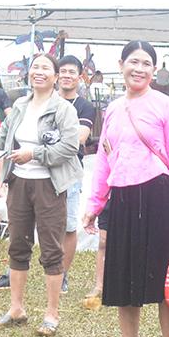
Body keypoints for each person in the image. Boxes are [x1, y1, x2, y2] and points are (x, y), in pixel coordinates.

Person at [84, 41, 169, 337]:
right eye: (134, 62)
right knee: (122, 273)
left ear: (154, 70)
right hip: (122, 197)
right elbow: (105, 158)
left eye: (147, 63)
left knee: (163, 275)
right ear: (121, 65)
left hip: (158, 194)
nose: (140, 69)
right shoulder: (114, 109)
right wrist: (94, 203)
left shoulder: (166, 106)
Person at [0, 53, 80, 337]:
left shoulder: (63, 109)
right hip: (19, 182)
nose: (39, 72)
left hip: (49, 184)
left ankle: (52, 313)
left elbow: (70, 147)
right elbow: (4, 132)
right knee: (17, 244)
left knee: (51, 249)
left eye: (45, 68)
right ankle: (16, 308)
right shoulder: (20, 105)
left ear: (55, 77)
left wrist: (35, 153)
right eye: (35, 67)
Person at [58, 55, 96, 292]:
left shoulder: (84, 106)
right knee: (31, 221)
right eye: (62, 71)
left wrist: (46, 142)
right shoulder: (46, 100)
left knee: (69, 225)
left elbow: (79, 139)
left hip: (70, 170)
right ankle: (14, 271)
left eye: (72, 72)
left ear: (80, 76)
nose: (66, 76)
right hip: (41, 170)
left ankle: (62, 273)